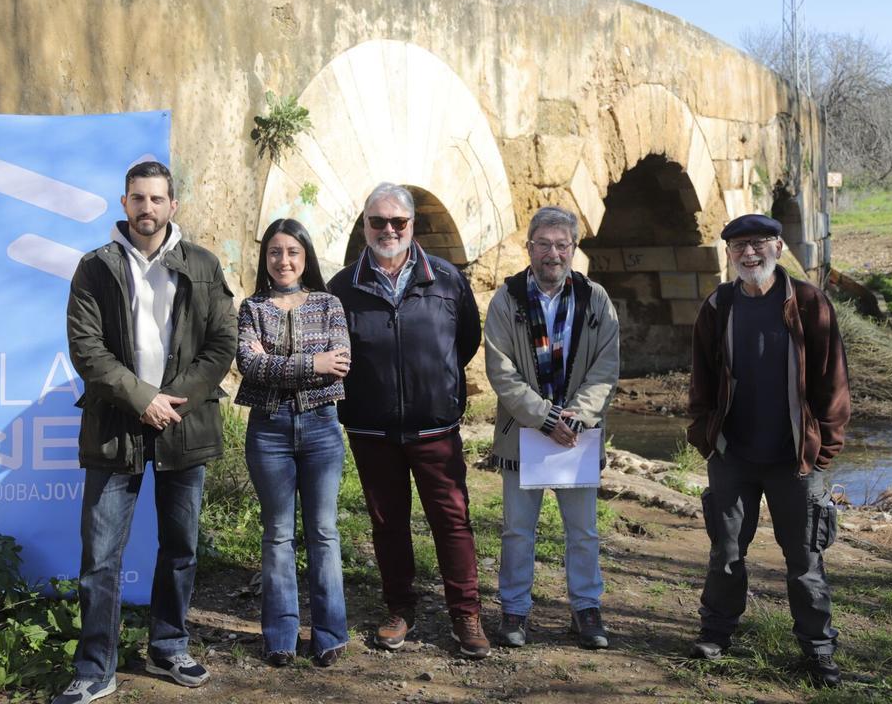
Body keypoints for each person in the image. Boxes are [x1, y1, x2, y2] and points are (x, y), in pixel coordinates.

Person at [59, 161, 236, 704]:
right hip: (117, 426)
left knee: (180, 546)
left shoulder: (203, 266)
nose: (147, 209)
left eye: (157, 199)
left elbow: (221, 341)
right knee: (100, 555)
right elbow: (87, 349)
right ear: (124, 203)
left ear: (172, 205)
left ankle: (169, 643)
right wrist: (143, 399)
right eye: (138, 198)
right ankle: (95, 667)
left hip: (183, 424)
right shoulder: (95, 268)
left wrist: (171, 400)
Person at [686, 213, 850, 688]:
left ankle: (818, 651)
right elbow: (701, 377)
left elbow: (833, 382)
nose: (748, 253)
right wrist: (705, 436)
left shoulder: (808, 302)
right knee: (726, 552)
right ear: (729, 254)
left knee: (804, 560)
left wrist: (824, 451)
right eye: (738, 246)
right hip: (733, 457)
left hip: (794, 460)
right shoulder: (719, 305)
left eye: (757, 244)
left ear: (778, 247)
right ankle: (716, 635)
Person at [328, 182, 490, 659]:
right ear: (365, 226)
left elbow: (466, 341)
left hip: (434, 425)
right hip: (372, 427)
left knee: (452, 520)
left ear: (412, 225)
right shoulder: (342, 287)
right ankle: (399, 608)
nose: (389, 230)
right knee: (387, 523)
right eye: (378, 222)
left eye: (398, 221)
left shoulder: (446, 278)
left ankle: (466, 613)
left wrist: (436, 385)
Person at [483, 206, 620, 650]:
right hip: (525, 433)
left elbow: (606, 367)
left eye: (562, 245)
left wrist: (574, 416)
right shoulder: (506, 299)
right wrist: (544, 416)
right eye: (544, 244)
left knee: (582, 531)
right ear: (529, 249)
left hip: (577, 435)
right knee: (518, 530)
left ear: (574, 249)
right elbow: (500, 370)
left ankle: (586, 609)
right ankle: (514, 611)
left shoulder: (595, 299)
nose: (553, 254)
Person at [234, 218, 352, 668]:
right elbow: (250, 365)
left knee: (324, 532)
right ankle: (280, 635)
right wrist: (312, 362)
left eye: (293, 253)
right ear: (265, 259)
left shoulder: (329, 304)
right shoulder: (252, 307)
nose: (283, 261)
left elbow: (340, 363)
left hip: (321, 428)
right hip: (269, 430)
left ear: (306, 258)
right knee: (278, 534)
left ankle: (329, 632)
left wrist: (281, 362)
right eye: (275, 253)